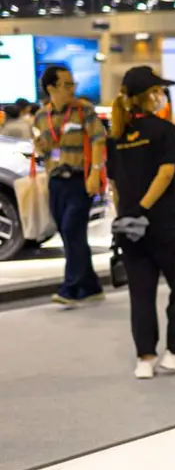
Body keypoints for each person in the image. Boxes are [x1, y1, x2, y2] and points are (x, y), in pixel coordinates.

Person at [106, 66, 175, 379]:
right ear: (150, 95)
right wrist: (143, 209)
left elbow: (115, 185)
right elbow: (165, 174)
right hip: (166, 223)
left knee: (141, 291)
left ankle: (145, 358)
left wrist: (127, 214)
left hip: (129, 227)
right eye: (159, 91)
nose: (161, 96)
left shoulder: (116, 136)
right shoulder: (163, 130)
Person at [31, 65, 105, 307]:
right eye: (67, 85)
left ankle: (70, 289)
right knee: (69, 234)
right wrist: (41, 147)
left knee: (72, 228)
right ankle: (91, 286)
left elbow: (98, 140)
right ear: (51, 88)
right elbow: (46, 149)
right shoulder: (41, 116)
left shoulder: (83, 110)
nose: (72, 89)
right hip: (56, 181)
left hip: (79, 180)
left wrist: (95, 173)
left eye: (73, 84)